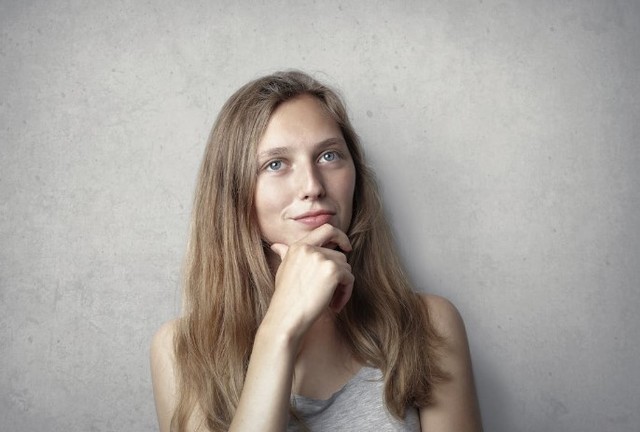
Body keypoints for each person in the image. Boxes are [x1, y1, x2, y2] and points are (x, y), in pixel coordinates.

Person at [150, 70, 482, 432]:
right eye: (275, 164)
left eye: (329, 156)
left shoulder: (428, 325)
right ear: (234, 192)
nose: (312, 185)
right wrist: (279, 330)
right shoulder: (183, 350)